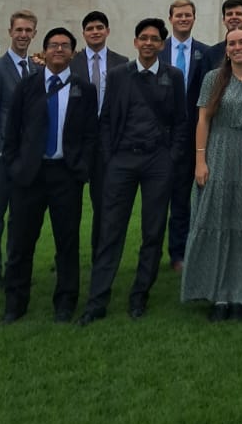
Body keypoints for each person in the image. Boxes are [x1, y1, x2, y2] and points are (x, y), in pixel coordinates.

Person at [79, 18, 187, 324]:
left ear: (163, 45)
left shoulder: (173, 76)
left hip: (157, 162)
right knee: (110, 231)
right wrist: (110, 157)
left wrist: (172, 157)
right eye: (143, 38)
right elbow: (107, 118)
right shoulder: (118, 75)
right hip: (122, 160)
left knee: (152, 232)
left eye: (155, 38)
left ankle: (140, 295)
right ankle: (97, 300)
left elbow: (181, 121)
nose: (149, 43)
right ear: (135, 42)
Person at [0, 26, 98, 324]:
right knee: (20, 243)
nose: (59, 50)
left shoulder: (84, 88)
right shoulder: (27, 86)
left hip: (66, 175)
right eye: (53, 45)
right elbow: (12, 130)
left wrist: (81, 168)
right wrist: (16, 166)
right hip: (29, 175)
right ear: (44, 51)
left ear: (72, 53)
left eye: (65, 46)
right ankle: (14, 304)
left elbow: (90, 134)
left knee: (66, 243)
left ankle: (65, 303)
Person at [181, 26, 242, 320]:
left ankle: (240, 294)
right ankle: (217, 295)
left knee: (241, 227)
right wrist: (200, 161)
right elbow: (202, 120)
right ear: (226, 49)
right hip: (216, 152)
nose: (237, 47)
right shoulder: (213, 80)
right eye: (232, 43)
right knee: (213, 220)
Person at [0, 8, 38, 286]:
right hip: (5, 155)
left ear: (34, 34)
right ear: (10, 32)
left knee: (21, 216)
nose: (23, 35)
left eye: (28, 31)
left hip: (29, 159)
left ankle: (15, 265)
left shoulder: (37, 70)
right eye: (19, 30)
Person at [71, 10, 130, 255]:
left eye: (99, 27)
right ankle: (66, 255)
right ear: (83, 33)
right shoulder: (72, 62)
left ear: (107, 31)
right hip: (76, 142)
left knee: (104, 202)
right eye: (90, 28)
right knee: (69, 204)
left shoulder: (122, 62)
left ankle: (100, 251)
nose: (95, 32)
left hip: (108, 142)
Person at [161, 0, 210, 270]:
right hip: (160, 137)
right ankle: (153, 250)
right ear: (171, 18)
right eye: (178, 15)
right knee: (158, 200)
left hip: (195, 135)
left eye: (188, 15)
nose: (183, 19)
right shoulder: (158, 50)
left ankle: (179, 254)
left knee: (184, 198)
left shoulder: (205, 53)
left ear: (193, 18)